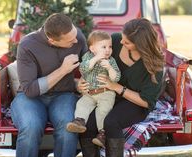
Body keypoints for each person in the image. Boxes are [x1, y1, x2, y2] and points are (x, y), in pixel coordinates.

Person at [78, 18, 164, 157]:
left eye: (127, 42)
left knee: (111, 122)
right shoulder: (115, 41)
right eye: (123, 37)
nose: (121, 42)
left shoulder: (155, 65)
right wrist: (82, 81)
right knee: (87, 124)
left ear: (140, 45)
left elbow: (147, 102)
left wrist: (117, 87)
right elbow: (93, 63)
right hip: (107, 95)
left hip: (135, 102)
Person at [10, 13, 88, 157]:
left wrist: (81, 82)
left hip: (63, 95)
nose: (76, 40)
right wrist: (63, 70)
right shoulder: (27, 45)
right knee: (31, 127)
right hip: (30, 98)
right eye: (70, 41)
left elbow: (88, 66)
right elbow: (30, 90)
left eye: (75, 35)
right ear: (52, 41)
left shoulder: (77, 37)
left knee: (68, 128)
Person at [66, 30, 121, 148]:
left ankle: (102, 134)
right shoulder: (88, 57)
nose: (108, 50)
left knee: (103, 111)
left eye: (110, 47)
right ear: (92, 49)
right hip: (89, 93)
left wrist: (110, 68)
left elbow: (116, 78)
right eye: (103, 47)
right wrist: (95, 59)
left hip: (106, 93)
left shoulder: (111, 61)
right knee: (81, 104)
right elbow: (83, 69)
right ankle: (79, 122)